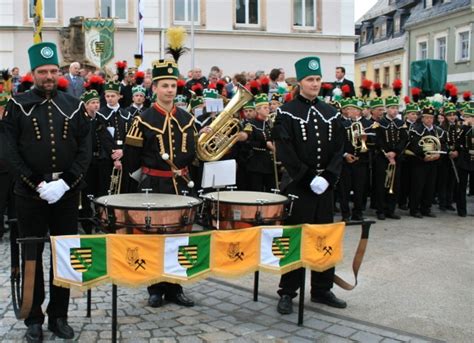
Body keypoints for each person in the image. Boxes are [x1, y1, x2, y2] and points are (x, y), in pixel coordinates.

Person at [2, 42, 91, 342]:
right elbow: (9, 151)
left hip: (66, 193)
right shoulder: (17, 105)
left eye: (54, 70)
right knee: (31, 255)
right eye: (43, 71)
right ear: (33, 73)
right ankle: (33, 318)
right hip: (29, 194)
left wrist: (66, 182)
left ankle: (59, 315)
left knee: (63, 255)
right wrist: (36, 184)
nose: (49, 76)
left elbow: (85, 148)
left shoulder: (74, 104)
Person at [272, 56, 345, 315]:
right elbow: (285, 149)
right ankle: (288, 291)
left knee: (324, 238)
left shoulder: (331, 112)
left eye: (317, 79)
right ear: (300, 82)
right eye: (309, 80)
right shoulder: (286, 111)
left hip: (324, 187)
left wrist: (327, 177)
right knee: (295, 239)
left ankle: (322, 288)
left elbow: (339, 149)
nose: (314, 84)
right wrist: (306, 178)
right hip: (299, 186)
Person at [122, 59, 195, 308]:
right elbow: (131, 160)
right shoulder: (142, 119)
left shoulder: (187, 118)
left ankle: (175, 287)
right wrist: (145, 182)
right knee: (153, 238)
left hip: (180, 187)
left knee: (179, 237)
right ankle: (155, 288)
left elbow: (194, 154)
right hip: (153, 185)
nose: (170, 90)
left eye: (173, 85)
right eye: (165, 85)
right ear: (155, 88)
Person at [407, 105, 447, 218]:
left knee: (430, 186)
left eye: (431, 117)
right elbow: (414, 146)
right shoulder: (416, 129)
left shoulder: (438, 130)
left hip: (433, 162)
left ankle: (426, 208)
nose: (429, 120)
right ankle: (414, 209)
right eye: (426, 117)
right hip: (419, 162)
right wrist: (424, 155)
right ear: (422, 118)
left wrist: (438, 155)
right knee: (417, 186)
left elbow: (443, 146)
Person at [374, 96, 408, 220]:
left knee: (395, 184)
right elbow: (378, 140)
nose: (395, 111)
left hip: (396, 158)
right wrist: (387, 153)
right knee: (381, 184)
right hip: (383, 158)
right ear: (387, 109)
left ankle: (391, 209)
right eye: (392, 108)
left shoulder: (401, 123)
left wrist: (396, 152)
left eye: (396, 108)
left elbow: (404, 139)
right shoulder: (380, 123)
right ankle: (380, 210)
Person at [455, 104, 474, 217]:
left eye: (470, 117)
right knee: (461, 185)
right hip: (464, 158)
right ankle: (461, 210)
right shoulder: (462, 128)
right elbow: (457, 142)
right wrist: (465, 127)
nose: (468, 119)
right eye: (466, 116)